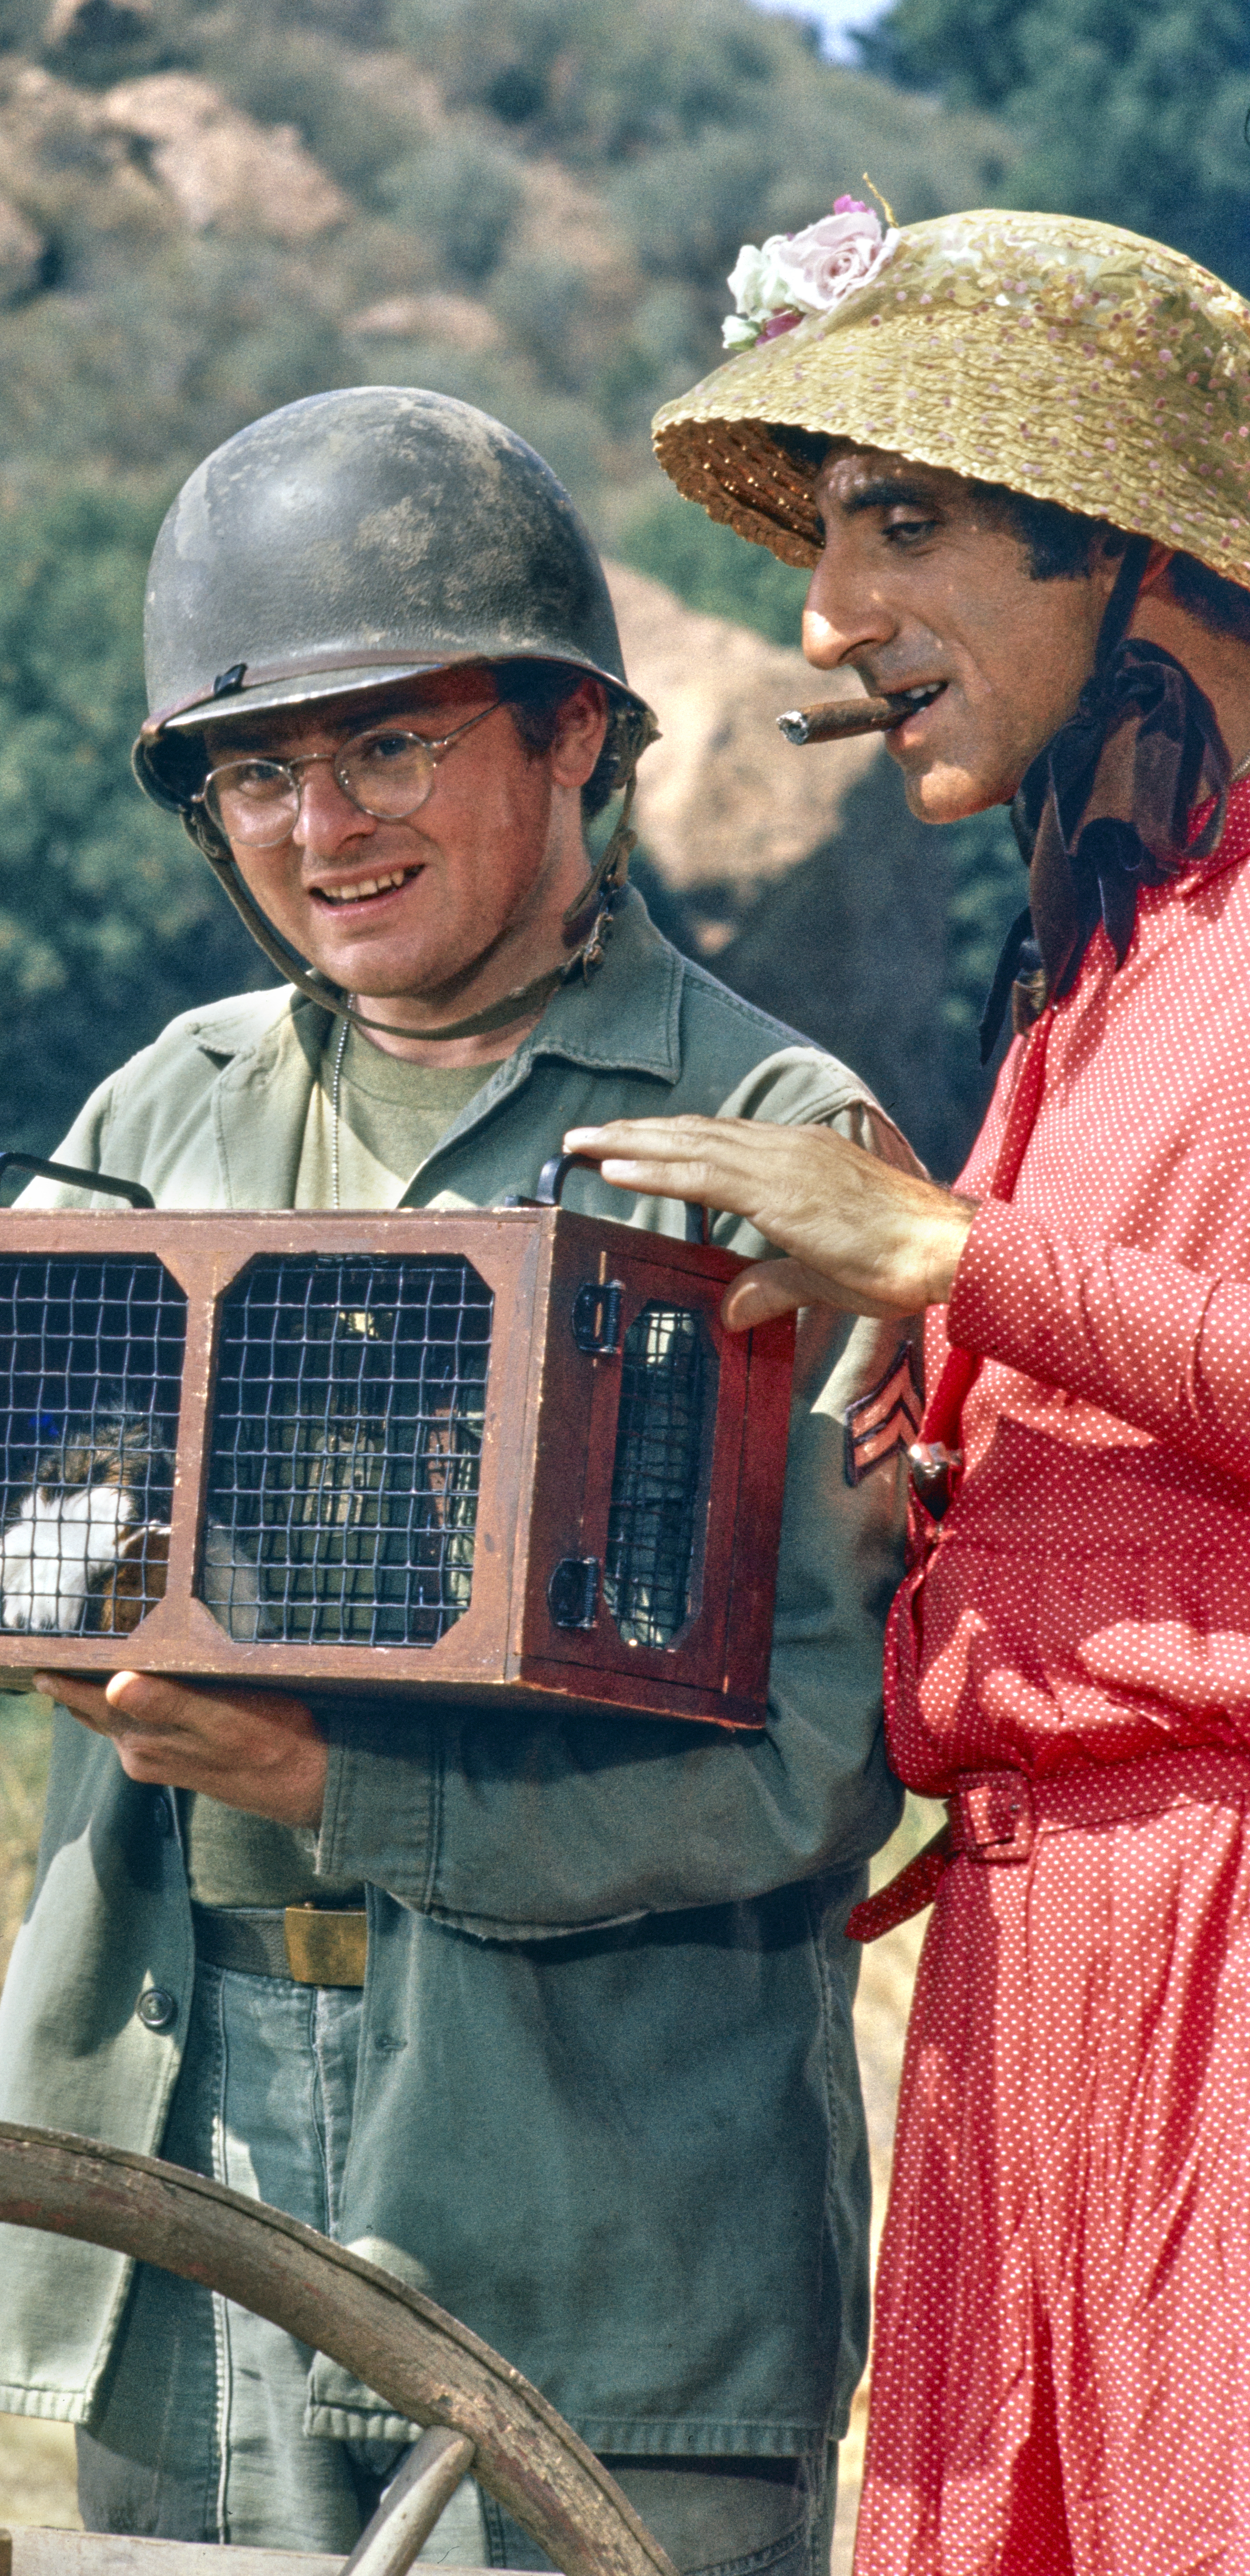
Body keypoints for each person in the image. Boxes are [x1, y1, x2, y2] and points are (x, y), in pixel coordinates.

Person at [0, 386, 913, 2576]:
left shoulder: (773, 1139)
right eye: (257, 770)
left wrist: (319, 1778)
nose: (319, 823)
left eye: (390, 744)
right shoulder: (160, 1120)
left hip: (601, 2289)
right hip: (188, 2256)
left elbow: (815, 1771)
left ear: (575, 739)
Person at [566, 209, 1250, 2575]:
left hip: (1223, 1955)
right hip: (1013, 1975)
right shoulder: (1106, 968)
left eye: (905, 522)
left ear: (1134, 549)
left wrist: (961, 1253)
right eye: (827, 532)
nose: (826, 618)